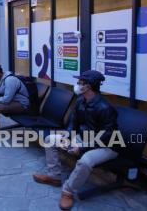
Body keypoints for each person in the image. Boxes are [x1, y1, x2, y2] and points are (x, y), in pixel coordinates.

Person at [32, 70, 118, 210]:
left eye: (80, 82)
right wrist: (67, 135)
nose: (77, 85)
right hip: (83, 139)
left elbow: (107, 136)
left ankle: (68, 191)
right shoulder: (81, 101)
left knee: (85, 161)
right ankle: (54, 176)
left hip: (106, 146)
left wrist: (82, 148)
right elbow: (73, 121)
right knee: (50, 139)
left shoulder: (105, 108)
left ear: (88, 86)